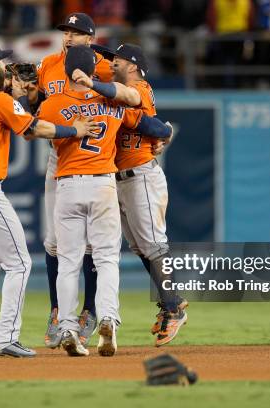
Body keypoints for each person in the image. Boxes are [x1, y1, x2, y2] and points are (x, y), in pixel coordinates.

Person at [0, 41, 99, 358]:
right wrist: (75, 129)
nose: (5, 67)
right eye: (1, 63)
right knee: (18, 264)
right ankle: (5, 337)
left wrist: (14, 97)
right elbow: (35, 128)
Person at [37, 45, 174, 357]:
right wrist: (163, 134)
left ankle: (69, 327)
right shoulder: (110, 102)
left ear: (68, 69)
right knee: (107, 260)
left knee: (69, 262)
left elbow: (32, 128)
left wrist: (66, 126)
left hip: (68, 186)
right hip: (103, 185)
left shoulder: (54, 103)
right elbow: (147, 124)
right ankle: (108, 320)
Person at [74, 44, 188, 347]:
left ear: (134, 65)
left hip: (141, 175)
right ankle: (171, 302)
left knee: (153, 243)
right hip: (120, 179)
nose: (112, 62)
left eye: (118, 59)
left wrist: (162, 132)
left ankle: (174, 307)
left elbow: (131, 104)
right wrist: (163, 132)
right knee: (140, 246)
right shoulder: (119, 91)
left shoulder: (139, 86)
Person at [36, 12, 114, 349]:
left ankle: (89, 311)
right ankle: (58, 311)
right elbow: (35, 104)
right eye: (66, 31)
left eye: (77, 33)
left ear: (91, 38)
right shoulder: (48, 64)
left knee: (90, 248)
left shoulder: (107, 69)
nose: (69, 37)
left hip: (97, 160)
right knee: (55, 243)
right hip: (60, 157)